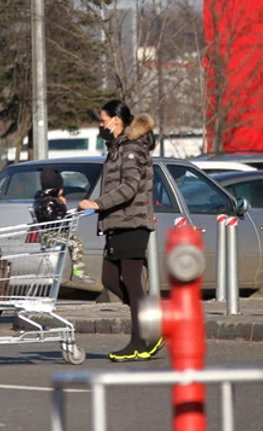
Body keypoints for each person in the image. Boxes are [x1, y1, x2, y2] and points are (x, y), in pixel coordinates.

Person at [79, 100, 163, 362]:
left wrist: (97, 204)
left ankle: (140, 342)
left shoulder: (132, 149)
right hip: (117, 224)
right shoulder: (116, 148)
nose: (101, 126)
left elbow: (129, 188)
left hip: (133, 223)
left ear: (116, 120)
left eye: (103, 121)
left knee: (132, 282)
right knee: (110, 279)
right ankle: (148, 325)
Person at [33, 168, 93, 284]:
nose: (63, 190)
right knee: (75, 243)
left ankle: (77, 269)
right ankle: (78, 271)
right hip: (49, 234)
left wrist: (66, 209)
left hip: (54, 232)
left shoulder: (47, 199)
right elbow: (53, 218)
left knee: (75, 241)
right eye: (61, 188)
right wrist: (67, 214)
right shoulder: (47, 201)